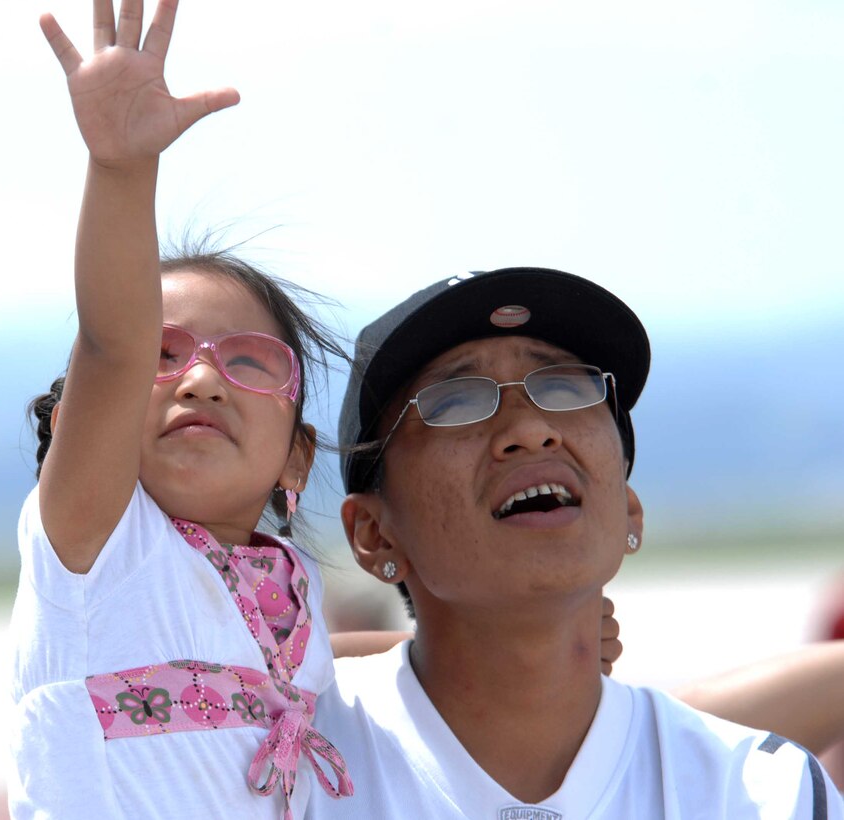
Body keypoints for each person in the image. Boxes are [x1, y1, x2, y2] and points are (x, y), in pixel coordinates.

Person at [308, 266, 844, 818]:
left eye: (564, 386)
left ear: (628, 508)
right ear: (374, 534)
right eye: (455, 401)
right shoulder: (285, 768)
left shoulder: (762, 792)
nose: (531, 429)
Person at [8, 1, 354, 817]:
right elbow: (109, 345)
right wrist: (123, 169)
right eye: (165, 357)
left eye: (248, 360)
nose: (202, 381)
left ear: (297, 458)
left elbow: (331, 666)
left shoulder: (288, 587)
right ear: (80, 425)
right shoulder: (95, 553)